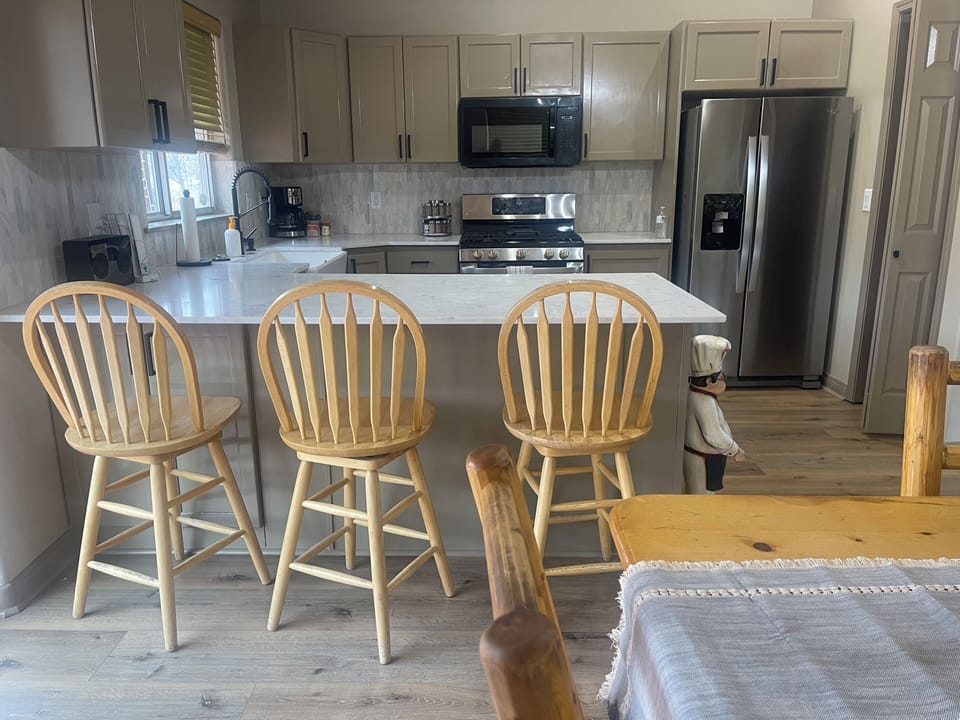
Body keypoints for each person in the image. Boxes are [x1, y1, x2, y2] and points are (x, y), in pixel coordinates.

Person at [683, 335, 745, 494]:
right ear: (711, 381)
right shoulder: (705, 403)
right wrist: (734, 449)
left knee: (701, 494)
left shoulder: (696, 395)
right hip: (703, 460)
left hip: (706, 459)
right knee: (702, 496)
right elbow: (713, 435)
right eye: (722, 377)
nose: (725, 381)